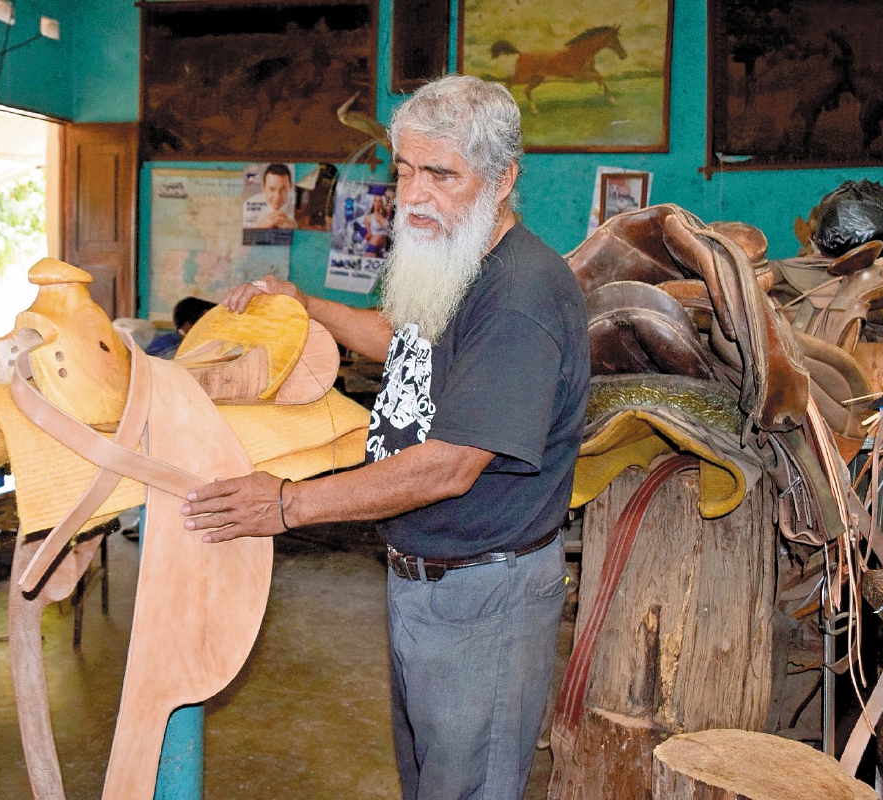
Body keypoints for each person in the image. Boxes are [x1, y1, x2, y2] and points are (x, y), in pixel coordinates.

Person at [181, 75, 589, 799]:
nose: (414, 195)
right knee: (431, 780)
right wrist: (305, 305)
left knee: (467, 787)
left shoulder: (519, 295)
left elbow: (450, 465)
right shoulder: (454, 257)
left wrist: (287, 505)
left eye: (440, 174)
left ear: (504, 180)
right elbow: (401, 339)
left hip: (481, 596)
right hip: (425, 579)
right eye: (403, 170)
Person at [253, 163, 296, 229]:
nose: (277, 197)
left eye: (283, 189)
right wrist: (256, 228)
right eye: (272, 189)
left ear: (290, 186)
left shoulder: (300, 210)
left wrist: (295, 231)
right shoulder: (249, 207)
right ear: (263, 187)